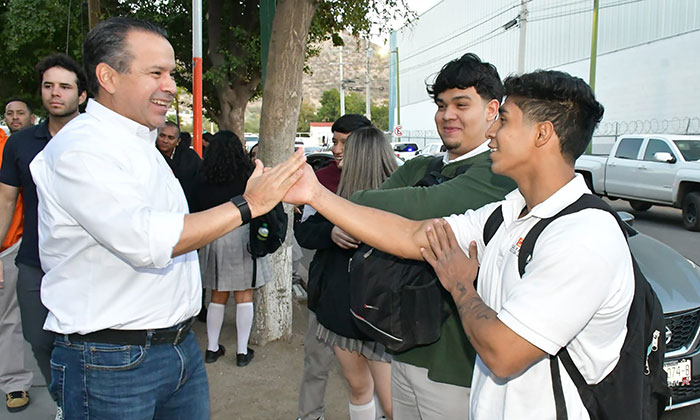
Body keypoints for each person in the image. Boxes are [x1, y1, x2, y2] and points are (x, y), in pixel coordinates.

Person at [284, 70, 631, 420]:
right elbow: (412, 235)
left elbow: (503, 352)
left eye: (504, 120)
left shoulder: (582, 237)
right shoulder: (506, 212)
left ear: (542, 134)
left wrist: (460, 285)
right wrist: (315, 195)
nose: (492, 131)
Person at [29, 17, 305, 419]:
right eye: (155, 73)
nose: (170, 86)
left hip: (176, 350)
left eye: (171, 73)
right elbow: (147, 241)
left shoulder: (142, 144)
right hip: (111, 362)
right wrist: (247, 206)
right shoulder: (81, 149)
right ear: (108, 76)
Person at [347, 53, 515, 419]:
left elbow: (418, 206)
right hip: (402, 346)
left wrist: (352, 208)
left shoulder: (496, 172)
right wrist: (353, 216)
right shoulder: (426, 165)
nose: (447, 115)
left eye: (461, 104)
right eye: (441, 105)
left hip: (456, 366)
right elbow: (380, 209)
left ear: (492, 111)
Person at [297, 127, 397, 420]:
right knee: (357, 386)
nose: (336, 152)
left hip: (382, 314)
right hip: (339, 307)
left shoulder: (401, 197)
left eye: (345, 147)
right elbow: (305, 232)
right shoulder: (326, 187)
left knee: (391, 403)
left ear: (363, 156)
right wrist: (332, 231)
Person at [0, 54, 87, 391]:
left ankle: (84, 405)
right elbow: (7, 201)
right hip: (34, 262)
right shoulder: (20, 144)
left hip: (87, 262)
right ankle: (66, 401)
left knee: (85, 345)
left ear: (81, 95)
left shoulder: (98, 140)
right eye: (49, 85)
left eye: (65, 87)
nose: (55, 93)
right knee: (38, 339)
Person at [192, 130, 265, 367]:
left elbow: (195, 206)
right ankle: (242, 352)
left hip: (213, 235)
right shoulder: (247, 175)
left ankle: (212, 348)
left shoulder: (203, 175)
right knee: (245, 296)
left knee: (217, 295)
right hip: (242, 236)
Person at [0, 98, 37, 413]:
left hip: (13, 246)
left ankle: (14, 383)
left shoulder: (23, 147)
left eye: (19, 113)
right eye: (9, 113)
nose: (13, 118)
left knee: (10, 320)